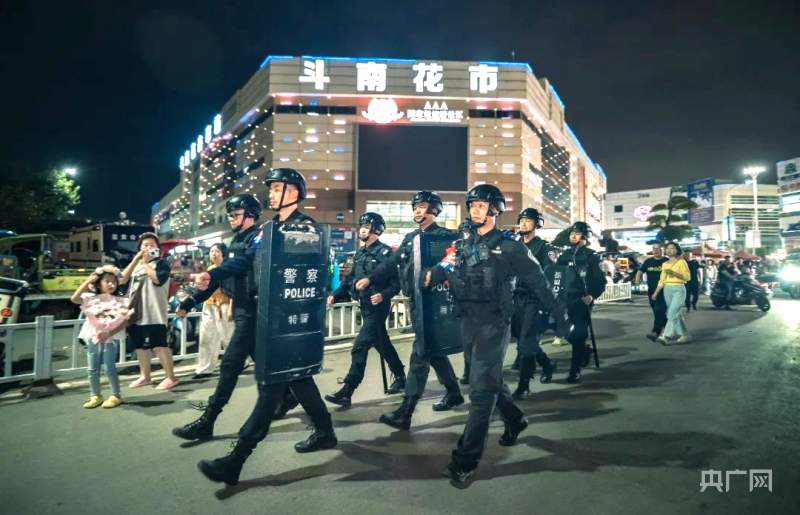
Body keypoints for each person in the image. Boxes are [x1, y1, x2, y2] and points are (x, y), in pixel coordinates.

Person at [192, 168, 337, 486]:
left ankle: (236, 459)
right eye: (270, 188)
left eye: (277, 188)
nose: (271, 193)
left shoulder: (306, 228)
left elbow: (307, 275)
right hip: (269, 318)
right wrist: (214, 275)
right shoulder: (267, 230)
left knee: (271, 388)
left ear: (295, 192)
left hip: (289, 321)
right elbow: (246, 262)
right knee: (297, 380)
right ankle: (325, 431)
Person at [424, 185, 568, 483]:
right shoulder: (464, 242)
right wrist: (432, 273)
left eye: (480, 205)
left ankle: (466, 460)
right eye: (472, 205)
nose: (474, 210)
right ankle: (515, 420)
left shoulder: (511, 247)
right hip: (467, 321)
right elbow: (447, 262)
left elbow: (539, 282)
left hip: (494, 323)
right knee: (490, 381)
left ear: (495, 210)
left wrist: (559, 315)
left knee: (480, 391)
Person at [356, 190, 464, 431]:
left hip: (436, 305)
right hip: (416, 303)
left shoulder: (448, 238)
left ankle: (406, 411)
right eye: (415, 206)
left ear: (435, 210)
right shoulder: (410, 237)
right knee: (434, 352)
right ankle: (454, 392)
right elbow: (392, 263)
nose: (417, 210)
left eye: (423, 206)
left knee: (420, 355)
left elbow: (456, 264)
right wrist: (370, 277)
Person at [173, 194, 263, 442]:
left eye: (236, 214)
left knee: (229, 364)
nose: (232, 218)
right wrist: (190, 301)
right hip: (244, 311)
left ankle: (208, 420)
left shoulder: (259, 238)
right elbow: (221, 281)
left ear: (250, 216)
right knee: (266, 368)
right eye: (231, 214)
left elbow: (244, 264)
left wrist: (211, 275)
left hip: (252, 311)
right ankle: (308, 413)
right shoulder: (236, 241)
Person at [325, 212, 406, 406]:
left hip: (378, 307)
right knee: (382, 343)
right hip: (363, 305)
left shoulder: (386, 254)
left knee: (360, 346)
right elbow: (348, 279)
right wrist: (335, 295)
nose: (362, 229)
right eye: (361, 225)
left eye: (367, 226)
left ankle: (347, 390)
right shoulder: (359, 253)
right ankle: (402, 377)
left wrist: (384, 295)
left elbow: (396, 284)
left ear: (377, 229)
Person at [120, 233, 179, 390]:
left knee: (160, 345)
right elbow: (122, 280)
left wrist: (146, 264)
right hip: (136, 313)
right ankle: (145, 376)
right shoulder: (137, 267)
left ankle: (170, 377)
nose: (148, 248)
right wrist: (135, 261)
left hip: (154, 313)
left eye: (152, 245)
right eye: (144, 245)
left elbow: (158, 280)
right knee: (140, 347)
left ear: (157, 249)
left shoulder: (162, 264)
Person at [510, 208, 558, 398]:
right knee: (519, 337)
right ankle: (547, 364)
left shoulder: (545, 248)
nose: (523, 223)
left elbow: (551, 273)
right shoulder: (513, 245)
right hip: (515, 298)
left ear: (537, 224)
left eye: (528, 220)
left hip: (534, 299)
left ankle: (524, 385)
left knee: (526, 343)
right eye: (521, 220)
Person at [555, 222, 607, 383]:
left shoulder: (591, 256)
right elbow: (556, 276)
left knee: (578, 334)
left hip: (582, 300)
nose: (573, 236)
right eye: (572, 233)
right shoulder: (563, 256)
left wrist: (592, 295)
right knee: (567, 334)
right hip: (564, 300)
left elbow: (600, 281)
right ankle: (585, 350)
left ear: (585, 236)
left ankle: (575, 369)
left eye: (577, 233)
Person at [71, 267, 124, 409]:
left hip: (109, 338)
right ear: (99, 284)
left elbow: (123, 321)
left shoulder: (119, 301)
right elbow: (74, 298)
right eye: (107, 281)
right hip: (93, 336)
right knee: (92, 368)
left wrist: (109, 333)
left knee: (109, 368)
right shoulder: (91, 298)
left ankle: (115, 395)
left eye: (113, 282)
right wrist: (88, 280)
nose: (111, 284)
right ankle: (95, 395)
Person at [192, 243, 235, 379]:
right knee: (206, 338)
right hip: (209, 306)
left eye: (217, 251)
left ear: (223, 254)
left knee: (228, 338)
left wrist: (231, 308)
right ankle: (204, 368)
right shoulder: (210, 269)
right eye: (211, 251)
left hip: (224, 305)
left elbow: (233, 291)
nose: (214, 254)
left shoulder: (228, 269)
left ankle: (239, 362)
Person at [650, 242, 691, 344]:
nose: (669, 250)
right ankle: (685, 335)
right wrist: (655, 293)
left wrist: (673, 273)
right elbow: (662, 280)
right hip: (667, 289)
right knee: (677, 314)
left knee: (671, 313)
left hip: (679, 289)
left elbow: (687, 277)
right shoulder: (664, 264)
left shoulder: (682, 262)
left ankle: (666, 335)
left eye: (672, 248)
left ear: (677, 250)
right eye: (667, 248)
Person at [635, 243, 668, 341]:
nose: (656, 250)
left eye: (658, 249)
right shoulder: (648, 261)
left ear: (662, 250)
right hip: (651, 291)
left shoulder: (667, 261)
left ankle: (655, 333)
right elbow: (640, 271)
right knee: (657, 313)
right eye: (654, 249)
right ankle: (670, 328)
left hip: (664, 291)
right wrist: (637, 278)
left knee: (659, 311)